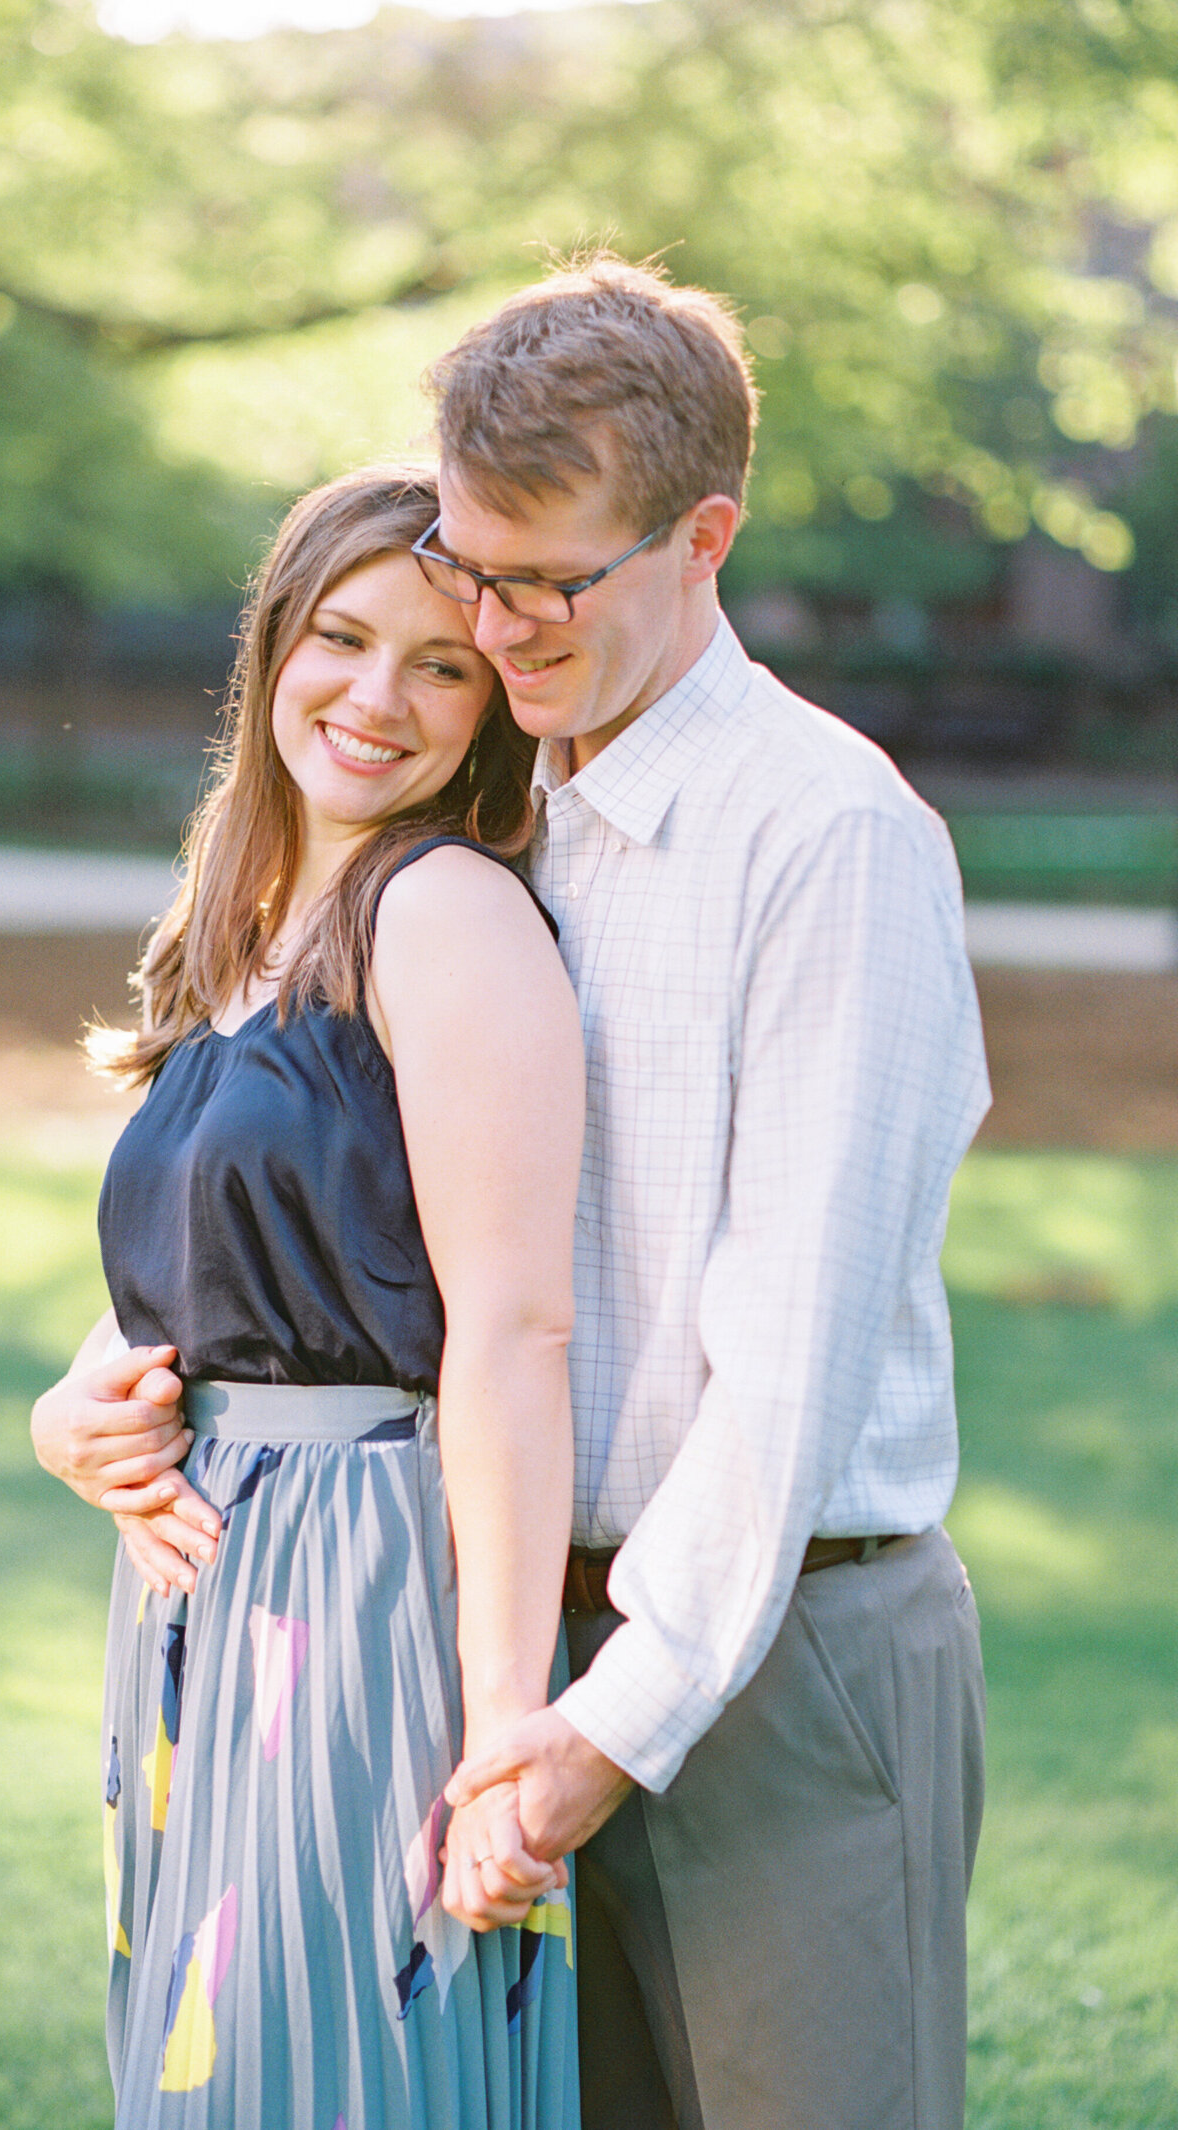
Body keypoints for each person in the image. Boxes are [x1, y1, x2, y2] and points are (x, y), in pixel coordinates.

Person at [417, 255, 991, 2130]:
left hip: (780, 1672)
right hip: (522, 1649)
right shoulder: (488, 805)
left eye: (550, 581)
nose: (496, 628)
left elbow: (797, 1351)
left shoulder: (828, 839)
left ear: (704, 537)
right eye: (464, 564)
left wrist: (615, 1719)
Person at [30, 465, 585, 2130]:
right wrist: (71, 1414)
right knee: (215, 2068)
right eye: (343, 637)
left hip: (357, 1580)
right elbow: (194, 1277)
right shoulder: (249, 925)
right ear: (276, 640)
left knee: (323, 2071)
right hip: (203, 1582)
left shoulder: (448, 914)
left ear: (492, 707)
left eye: (442, 667)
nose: (377, 696)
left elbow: (508, 1329)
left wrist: (503, 1728)